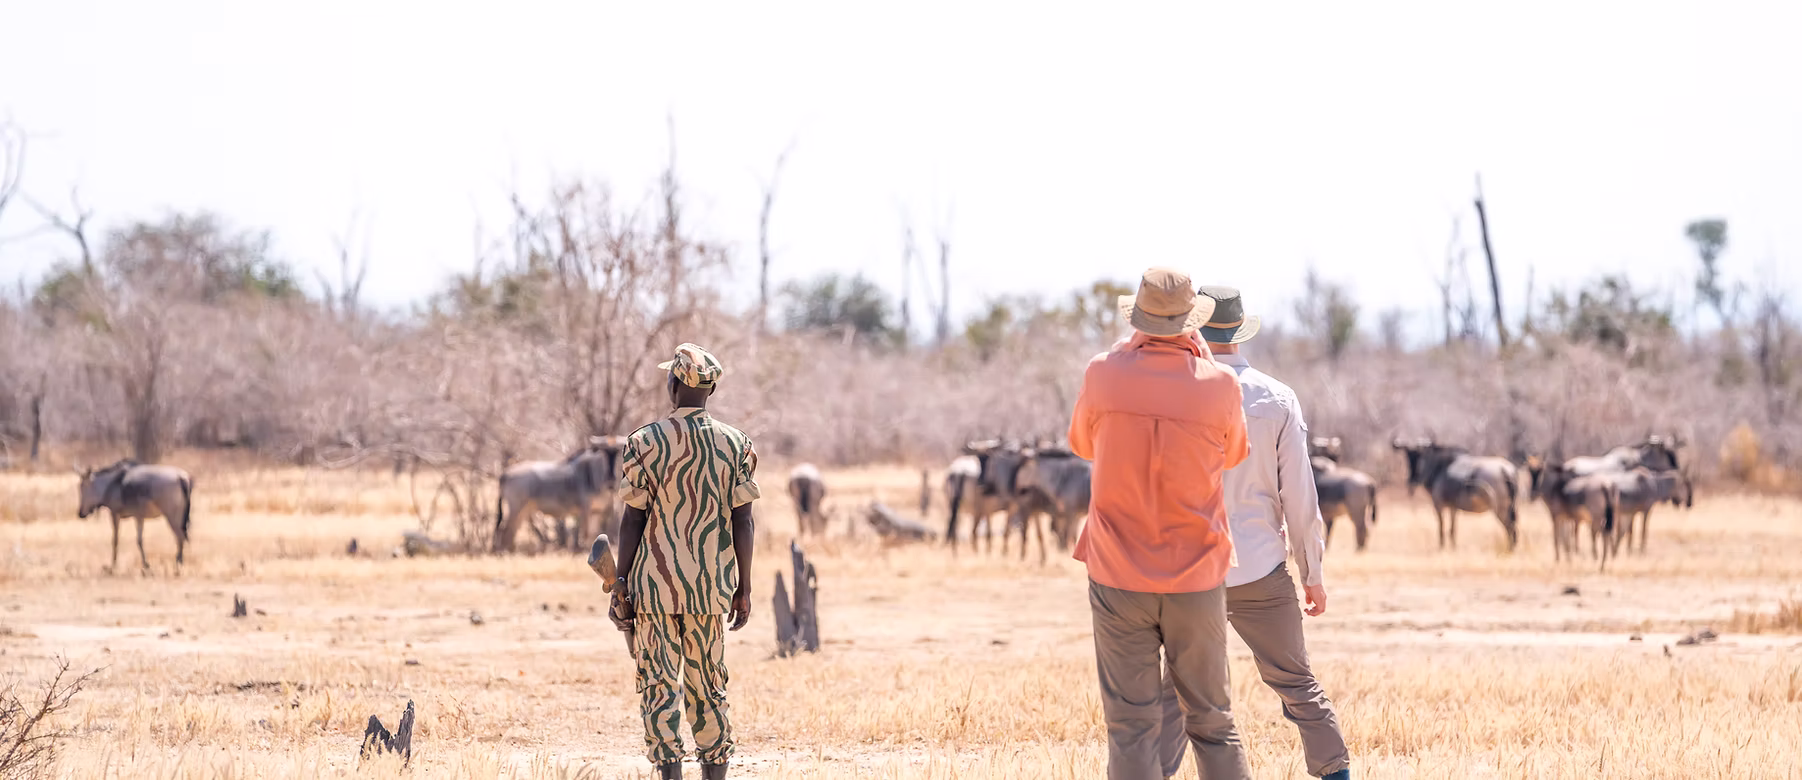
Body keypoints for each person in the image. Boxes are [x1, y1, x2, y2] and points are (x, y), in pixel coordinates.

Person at [1156, 286, 1351, 780]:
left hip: (1193, 570)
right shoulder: (1277, 397)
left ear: (1194, 328)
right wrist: (1313, 573)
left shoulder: (1174, 393)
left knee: (1176, 694)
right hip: (1261, 565)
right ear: (1240, 332)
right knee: (1299, 687)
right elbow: (1301, 499)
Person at [1068, 267, 1252, 780]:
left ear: (1139, 319)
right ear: (1191, 324)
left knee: (1130, 725)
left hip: (1116, 570)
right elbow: (1235, 454)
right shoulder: (1218, 385)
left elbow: (1082, 444)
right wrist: (1207, 361)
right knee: (1213, 721)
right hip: (1196, 572)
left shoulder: (1102, 372)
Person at [610, 343, 760, 780]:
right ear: (709, 391)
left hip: (654, 589)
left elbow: (632, 518)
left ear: (673, 384)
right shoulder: (737, 444)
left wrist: (621, 579)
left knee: (659, 685)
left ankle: (670, 774)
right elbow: (743, 522)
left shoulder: (644, 442)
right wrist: (743, 589)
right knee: (708, 686)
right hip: (712, 589)